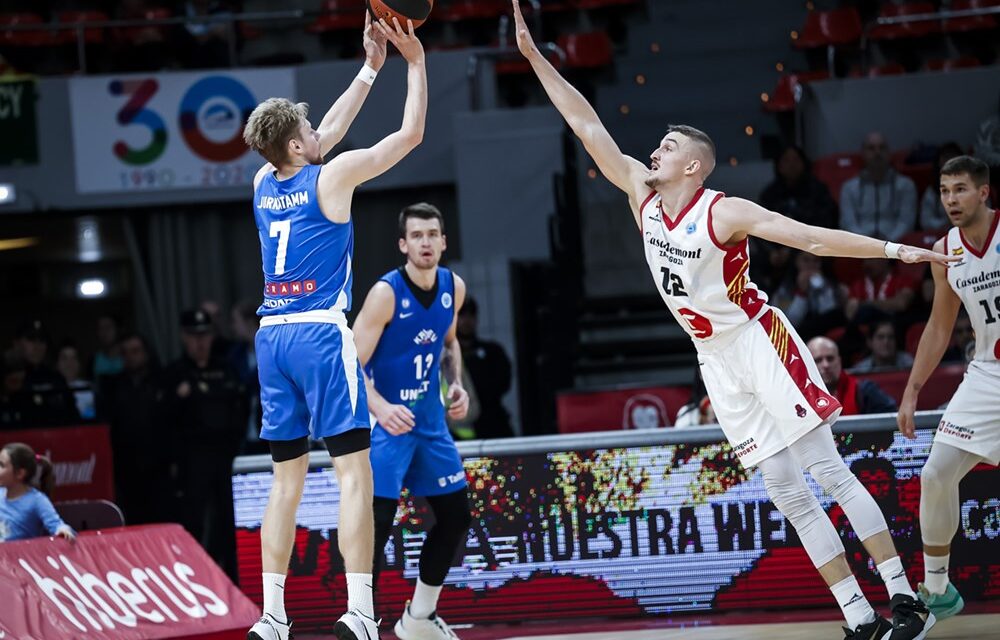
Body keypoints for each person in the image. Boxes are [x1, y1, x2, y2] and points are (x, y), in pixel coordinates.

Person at [511, 2, 952, 636]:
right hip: (712, 357)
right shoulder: (641, 196)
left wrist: (894, 250)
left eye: (668, 146)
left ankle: (905, 600)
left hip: (756, 341)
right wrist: (534, 58)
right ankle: (859, 618)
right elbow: (585, 122)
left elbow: (812, 240)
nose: (654, 151)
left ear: (693, 165)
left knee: (826, 470)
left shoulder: (724, 211)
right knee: (785, 490)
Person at [241, 15, 425, 640]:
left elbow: (326, 134)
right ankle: (364, 613)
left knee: (285, 480)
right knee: (354, 473)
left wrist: (370, 68)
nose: (317, 131)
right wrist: (415, 64)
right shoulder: (334, 175)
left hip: (271, 340)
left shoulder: (265, 179)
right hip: (320, 333)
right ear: (298, 145)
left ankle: (271, 617)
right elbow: (410, 135)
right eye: (306, 129)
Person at [353, 203, 471, 639]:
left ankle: (418, 619)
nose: (425, 242)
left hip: (430, 423)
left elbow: (449, 343)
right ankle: (362, 623)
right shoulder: (386, 293)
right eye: (416, 235)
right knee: (376, 527)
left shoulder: (453, 287)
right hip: (387, 426)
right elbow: (350, 363)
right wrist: (380, 407)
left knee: (457, 517)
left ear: (443, 241)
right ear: (403, 245)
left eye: (432, 234)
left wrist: (455, 385)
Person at [897, 155, 1000, 623]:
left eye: (960, 189)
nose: (950, 199)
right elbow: (939, 327)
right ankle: (937, 590)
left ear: (984, 192)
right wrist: (913, 390)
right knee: (935, 475)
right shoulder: (945, 252)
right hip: (986, 375)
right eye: (943, 191)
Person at [160, 309, 247, 575]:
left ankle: (234, 579)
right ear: (183, 337)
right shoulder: (174, 373)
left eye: (204, 335)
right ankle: (195, 579)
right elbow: (164, 420)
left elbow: (242, 410)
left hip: (225, 455)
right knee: (193, 521)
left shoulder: (227, 369)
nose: (200, 342)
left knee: (230, 522)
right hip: (192, 457)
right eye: (193, 335)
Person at [840, 132, 918, 242]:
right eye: (871, 148)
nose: (877, 153)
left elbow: (906, 222)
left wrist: (886, 246)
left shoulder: (906, 185)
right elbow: (849, 224)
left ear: (889, 153)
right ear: (863, 153)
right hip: (860, 248)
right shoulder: (849, 188)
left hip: (895, 247)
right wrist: (868, 246)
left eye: (882, 148)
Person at [454, 296, 514, 440]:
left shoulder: (493, 351)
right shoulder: (446, 356)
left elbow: (503, 384)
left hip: (492, 423)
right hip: (459, 428)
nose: (467, 320)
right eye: (462, 315)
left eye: (471, 315)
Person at [0, 442, 75, 542]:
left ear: (20, 473)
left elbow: (57, 525)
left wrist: (62, 530)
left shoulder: (37, 501)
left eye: (1, 465)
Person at [808, 337, 898, 415]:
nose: (826, 365)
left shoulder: (864, 390)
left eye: (830, 359)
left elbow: (891, 419)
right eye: (818, 360)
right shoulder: (800, 397)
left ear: (839, 361)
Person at [759, 144, 838, 230]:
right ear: (778, 165)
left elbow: (828, 220)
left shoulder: (818, 190)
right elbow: (764, 225)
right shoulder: (770, 194)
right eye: (786, 160)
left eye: (796, 160)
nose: (791, 165)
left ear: (804, 163)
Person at [920, 143, 963, 232]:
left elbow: (982, 216)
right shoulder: (931, 191)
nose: (950, 161)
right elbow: (925, 221)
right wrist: (945, 224)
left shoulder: (975, 187)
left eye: (953, 157)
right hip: (940, 235)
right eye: (946, 157)